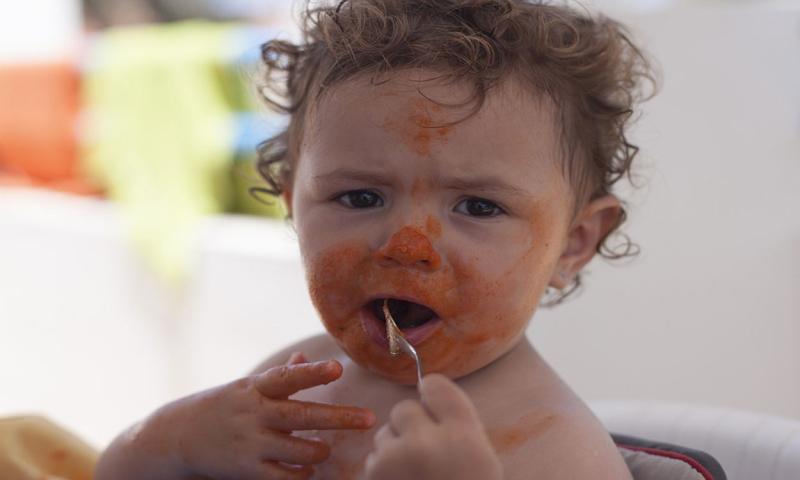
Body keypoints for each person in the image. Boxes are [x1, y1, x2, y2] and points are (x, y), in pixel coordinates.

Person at [95, 0, 656, 478]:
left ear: (574, 244)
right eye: (360, 197)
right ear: (294, 207)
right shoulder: (289, 388)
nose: (407, 245)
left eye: (479, 206)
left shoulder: (557, 450)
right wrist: (170, 441)